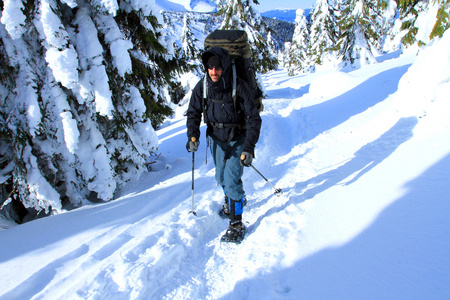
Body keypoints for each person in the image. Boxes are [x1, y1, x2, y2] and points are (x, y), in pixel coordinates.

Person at [186, 47, 262, 241]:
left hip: (238, 137)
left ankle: (236, 223)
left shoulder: (238, 85)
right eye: (210, 67)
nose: (214, 72)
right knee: (221, 177)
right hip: (216, 139)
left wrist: (248, 147)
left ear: (225, 67)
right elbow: (193, 112)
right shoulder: (202, 86)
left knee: (231, 179)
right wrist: (193, 135)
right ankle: (232, 199)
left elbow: (253, 118)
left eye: (218, 68)